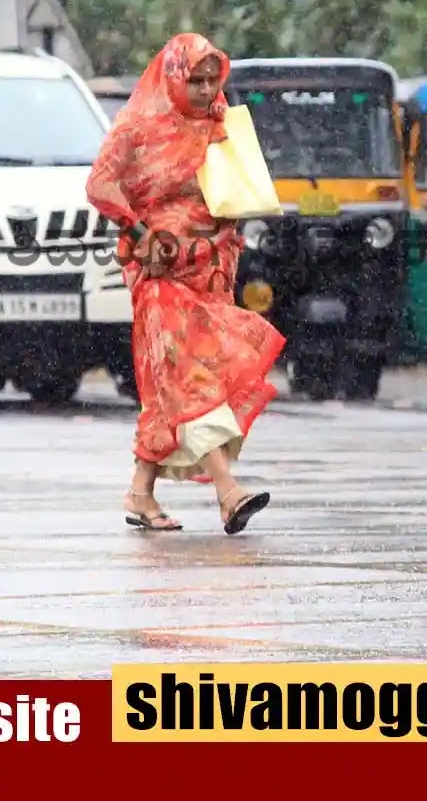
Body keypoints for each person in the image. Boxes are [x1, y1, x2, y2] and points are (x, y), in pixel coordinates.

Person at [86, 33, 286, 534]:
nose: (202, 90)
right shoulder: (138, 127)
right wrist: (138, 230)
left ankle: (140, 492)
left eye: (210, 80)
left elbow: (233, 194)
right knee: (190, 374)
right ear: (172, 75)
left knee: (175, 380)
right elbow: (100, 185)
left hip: (210, 266)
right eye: (193, 80)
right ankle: (227, 491)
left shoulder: (219, 125)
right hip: (157, 270)